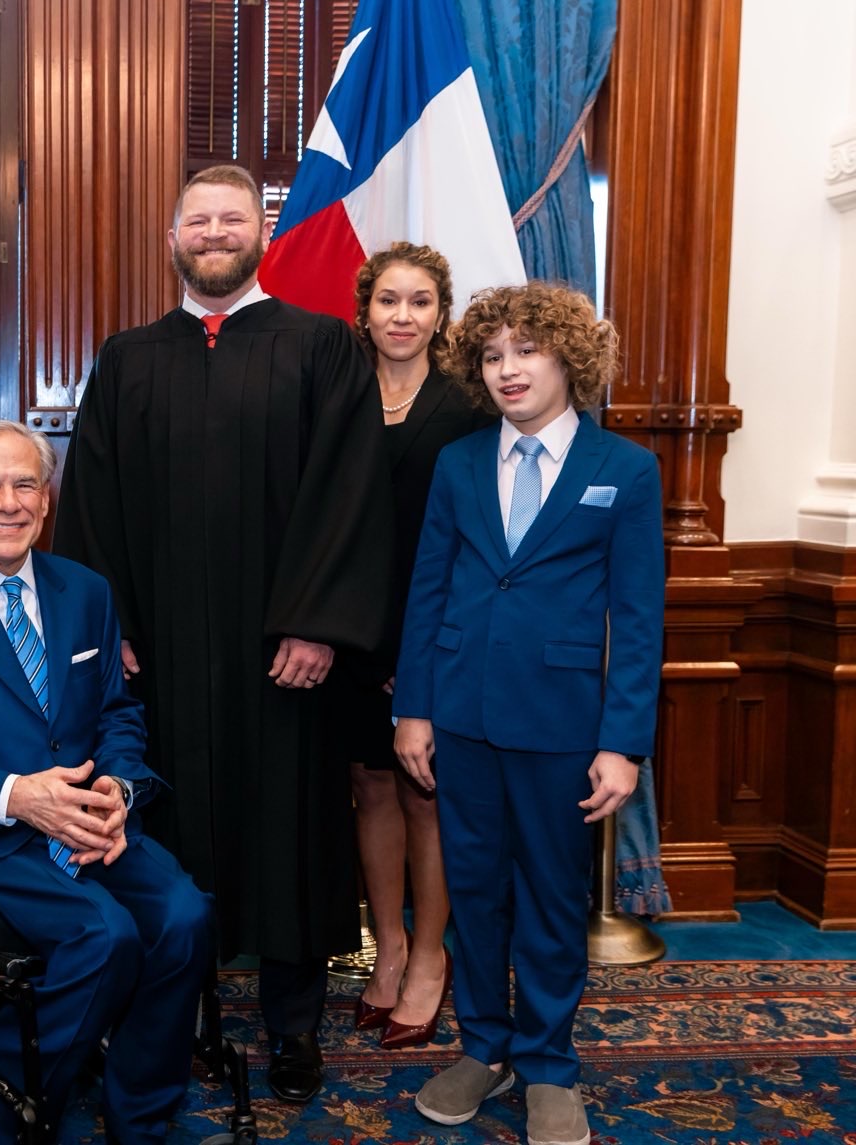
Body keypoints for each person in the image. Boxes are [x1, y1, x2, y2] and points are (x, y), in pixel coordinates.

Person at [54, 164, 394, 1102]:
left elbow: (350, 495)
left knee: (290, 830)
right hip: (158, 651)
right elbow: (92, 501)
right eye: (197, 220)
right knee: (167, 826)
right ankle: (179, 1009)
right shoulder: (127, 357)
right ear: (173, 239)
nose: (214, 232)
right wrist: (107, 624)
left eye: (231, 218)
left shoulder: (323, 346)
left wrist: (319, 625)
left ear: (260, 235)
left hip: (282, 655)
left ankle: (292, 1026)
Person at [0, 420, 214, 1144]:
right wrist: (15, 792)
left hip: (91, 819)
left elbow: (117, 712)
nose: (8, 501)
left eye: (26, 483)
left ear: (46, 501)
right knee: (104, 934)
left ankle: (139, 1118)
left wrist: (117, 788)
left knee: (184, 915)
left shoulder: (84, 591)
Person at [393, 283, 663, 1145]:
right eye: (493, 354)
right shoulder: (460, 462)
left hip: (561, 725)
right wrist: (414, 709)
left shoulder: (625, 469)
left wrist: (622, 744)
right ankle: (485, 1046)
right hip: (461, 716)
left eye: (526, 351)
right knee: (472, 893)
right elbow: (428, 590)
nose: (508, 369)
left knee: (551, 895)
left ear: (568, 360)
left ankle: (547, 1062)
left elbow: (640, 616)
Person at [323, 243, 492, 1049]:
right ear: (365, 310)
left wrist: (420, 651)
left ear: (440, 313)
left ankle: (431, 956)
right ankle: (385, 948)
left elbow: (480, 539)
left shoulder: (468, 402)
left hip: (434, 633)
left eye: (419, 301)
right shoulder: (341, 392)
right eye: (388, 300)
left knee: (425, 793)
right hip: (353, 631)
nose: (402, 316)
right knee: (369, 787)